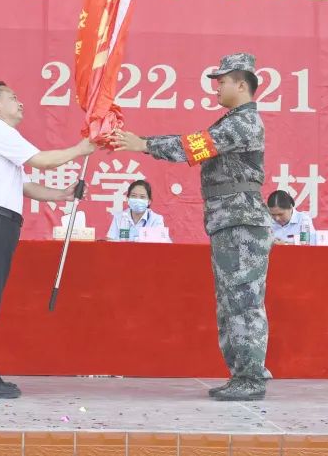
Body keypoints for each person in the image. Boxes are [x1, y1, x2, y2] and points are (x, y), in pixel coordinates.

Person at [115, 52, 272, 402]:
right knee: (230, 301)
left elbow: (193, 147)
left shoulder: (244, 123)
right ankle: (241, 375)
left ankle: (250, 377)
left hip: (241, 223)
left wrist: (143, 144)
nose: (217, 87)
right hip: (229, 222)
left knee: (243, 301)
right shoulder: (232, 121)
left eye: (222, 81)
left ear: (241, 84)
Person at [0, 81, 95, 399]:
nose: (20, 103)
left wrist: (63, 194)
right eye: (13, 98)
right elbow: (43, 161)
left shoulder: (3, 140)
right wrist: (80, 149)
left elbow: (26, 186)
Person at [105, 179, 171, 242]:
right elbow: (110, 241)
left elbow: (160, 244)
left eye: (142, 197)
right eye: (133, 196)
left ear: (149, 201)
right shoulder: (119, 217)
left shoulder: (156, 219)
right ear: (127, 199)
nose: (137, 200)